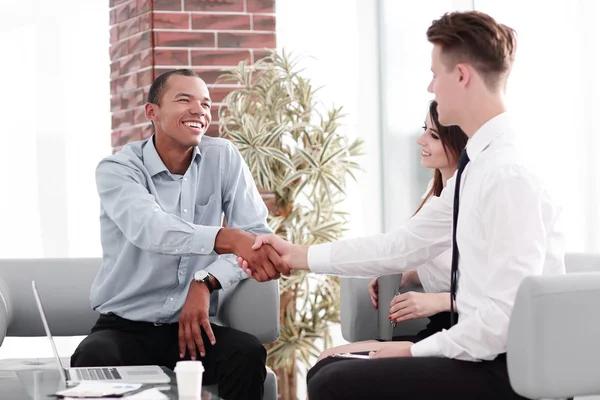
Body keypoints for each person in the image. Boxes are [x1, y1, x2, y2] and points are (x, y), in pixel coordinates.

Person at [240, 10, 565, 399]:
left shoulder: (507, 174)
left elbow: (503, 320)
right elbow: (401, 245)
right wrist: (295, 255)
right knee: (329, 369)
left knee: (334, 382)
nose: (430, 87)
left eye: (434, 74)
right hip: (481, 352)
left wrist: (411, 349)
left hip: (510, 368)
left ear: (461, 76)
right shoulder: (477, 169)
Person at [71, 69, 289, 400]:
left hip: (193, 329)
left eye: (205, 103)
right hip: (123, 328)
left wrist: (206, 281)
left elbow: (256, 234)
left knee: (246, 353)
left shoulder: (223, 157)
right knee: (92, 358)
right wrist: (226, 238)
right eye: (184, 99)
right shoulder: (118, 170)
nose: (199, 110)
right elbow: (151, 228)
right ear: (152, 113)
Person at [317, 100, 468, 360]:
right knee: (326, 359)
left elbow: (493, 293)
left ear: (458, 143)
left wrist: (440, 301)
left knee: (330, 366)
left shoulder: (469, 200)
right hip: (438, 328)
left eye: (433, 135)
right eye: (424, 129)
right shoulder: (434, 199)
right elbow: (447, 266)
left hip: (461, 333)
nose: (420, 140)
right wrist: (408, 277)